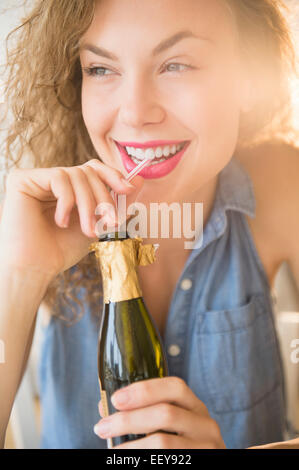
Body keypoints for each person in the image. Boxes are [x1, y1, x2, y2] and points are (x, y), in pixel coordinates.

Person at [0, 0, 298, 449]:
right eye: (100, 68)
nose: (135, 112)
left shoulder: (281, 183)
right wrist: (19, 276)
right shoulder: (42, 211)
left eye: (176, 65)